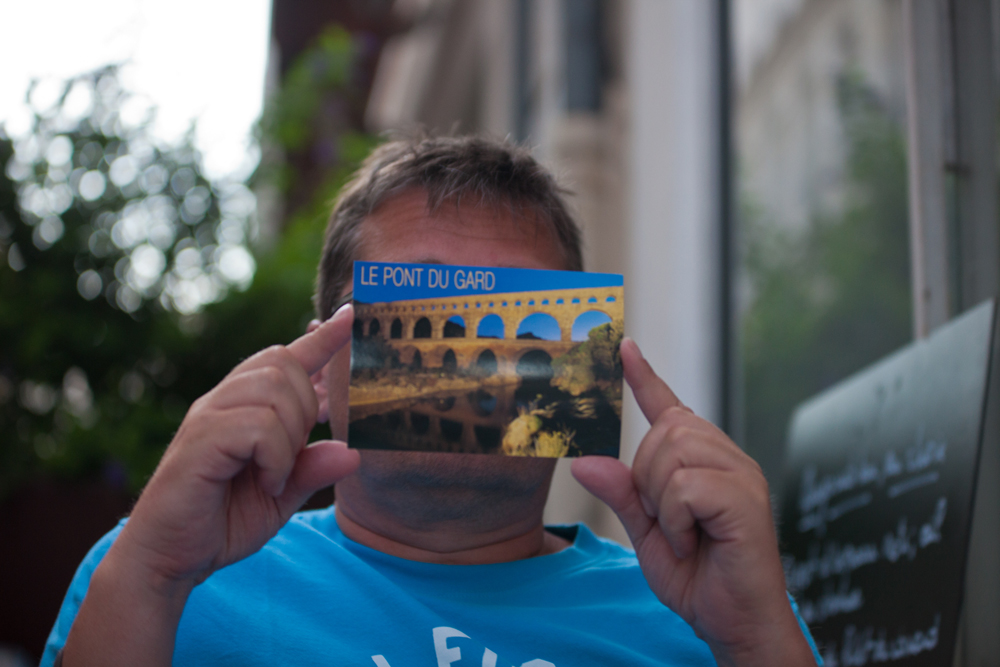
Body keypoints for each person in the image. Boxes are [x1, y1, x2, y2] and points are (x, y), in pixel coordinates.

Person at [44, 136, 821, 666]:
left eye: (523, 314)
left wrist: (756, 639)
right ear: (318, 371)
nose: (467, 355)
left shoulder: (710, 619)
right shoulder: (155, 580)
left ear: (582, 366)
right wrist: (148, 571)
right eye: (412, 309)